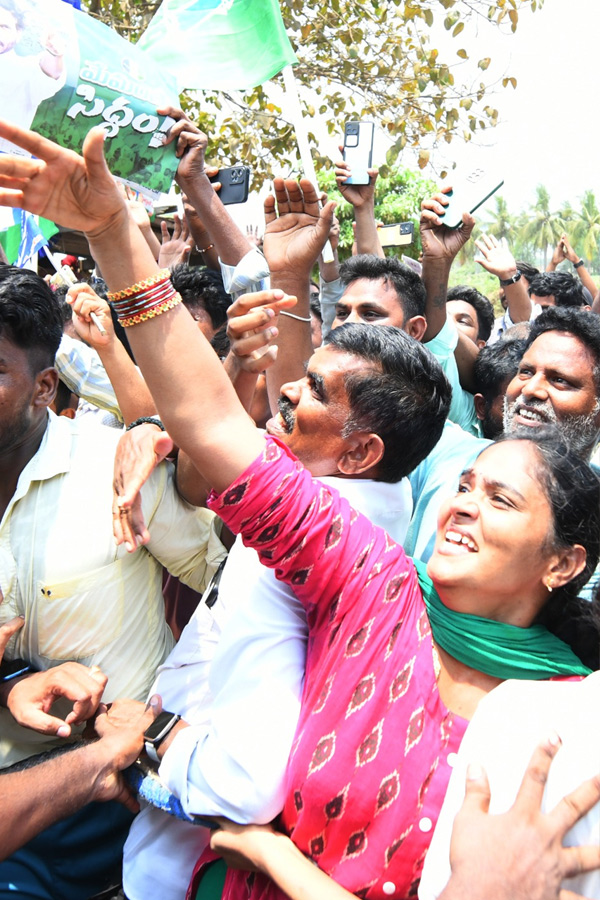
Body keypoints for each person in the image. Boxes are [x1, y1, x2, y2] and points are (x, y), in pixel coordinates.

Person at [2, 120, 599, 900]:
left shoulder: (571, 727)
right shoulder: (377, 592)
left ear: (564, 563)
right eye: (462, 485)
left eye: (500, 498)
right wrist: (116, 234)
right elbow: (216, 427)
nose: (460, 506)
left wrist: (274, 854)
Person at [0, 264, 226, 898]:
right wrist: (14, 680)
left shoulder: (118, 474)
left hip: (116, 813)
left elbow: (225, 583)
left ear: (45, 386)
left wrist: (176, 446)